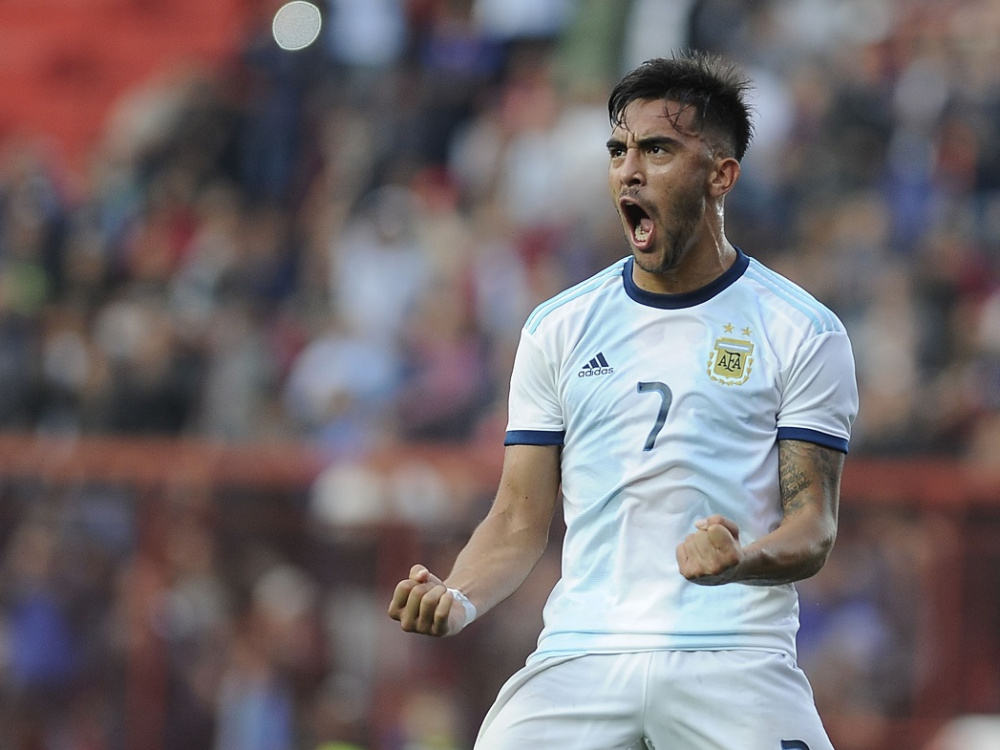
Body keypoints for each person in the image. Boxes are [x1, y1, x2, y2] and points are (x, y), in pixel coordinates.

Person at [388, 51, 858, 750]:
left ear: (721, 174)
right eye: (618, 151)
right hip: (583, 652)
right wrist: (457, 596)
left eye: (658, 150)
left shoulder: (802, 330)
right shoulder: (558, 328)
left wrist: (742, 560)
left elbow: (812, 528)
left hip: (731, 654)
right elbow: (516, 520)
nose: (629, 171)